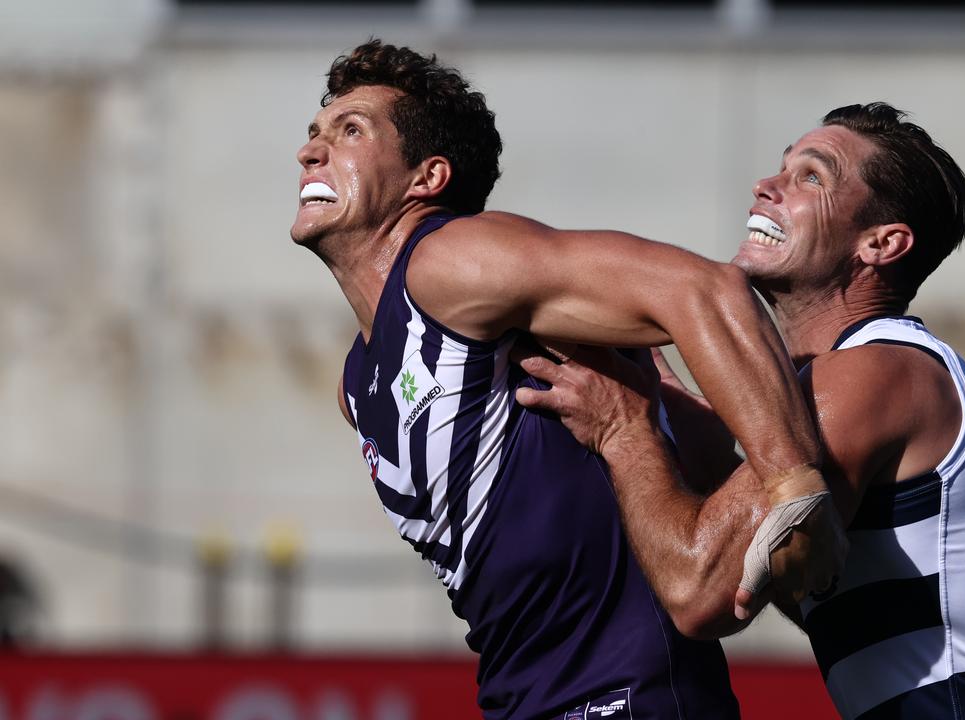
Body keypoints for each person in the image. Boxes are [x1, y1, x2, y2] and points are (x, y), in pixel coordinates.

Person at [291, 40, 846, 719]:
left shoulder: (447, 261)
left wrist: (793, 486)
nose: (310, 152)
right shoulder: (357, 385)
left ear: (425, 178)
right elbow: (680, 431)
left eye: (350, 132)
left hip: (624, 695)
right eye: (315, 133)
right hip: (523, 699)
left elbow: (704, 288)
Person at [517, 103, 965, 719]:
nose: (766, 187)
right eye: (781, 168)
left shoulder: (865, 375)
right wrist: (698, 439)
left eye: (811, 177)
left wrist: (626, 431)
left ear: (881, 243)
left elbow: (698, 594)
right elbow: (811, 579)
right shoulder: (876, 373)